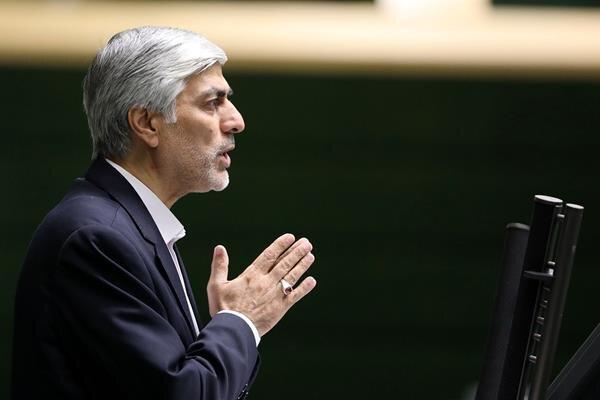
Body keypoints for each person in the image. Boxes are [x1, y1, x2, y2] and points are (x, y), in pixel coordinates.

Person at [11, 26, 317, 400]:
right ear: (146, 123)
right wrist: (240, 321)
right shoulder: (95, 239)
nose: (236, 120)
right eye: (212, 102)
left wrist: (230, 324)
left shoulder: (125, 227)